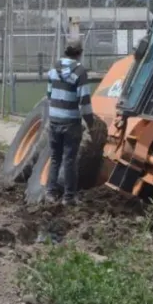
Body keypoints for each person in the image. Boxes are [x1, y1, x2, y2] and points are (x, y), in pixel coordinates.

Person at [44, 35, 95, 206]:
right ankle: (69, 196)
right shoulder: (80, 72)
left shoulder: (54, 68)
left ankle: (50, 193)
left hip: (54, 121)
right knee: (70, 160)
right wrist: (91, 123)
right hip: (71, 123)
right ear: (80, 53)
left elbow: (49, 94)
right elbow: (84, 101)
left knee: (55, 158)